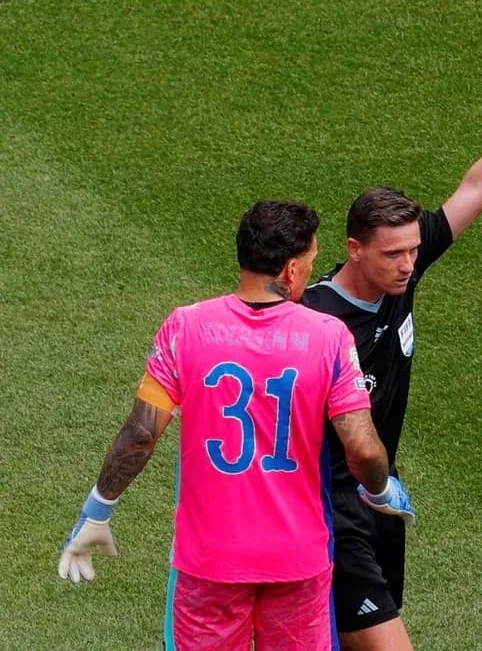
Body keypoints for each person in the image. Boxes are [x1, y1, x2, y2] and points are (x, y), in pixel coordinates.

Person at [300, 51, 482, 650]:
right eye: (392, 255)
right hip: (330, 510)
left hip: (381, 499)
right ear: (354, 250)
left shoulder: (404, 272)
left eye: (412, 251)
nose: (408, 264)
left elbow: (479, 187)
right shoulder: (315, 321)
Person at [59, 200, 414, 651]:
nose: (311, 271)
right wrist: (381, 491)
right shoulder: (328, 337)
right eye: (310, 261)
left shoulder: (185, 328)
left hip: (209, 562)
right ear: (290, 269)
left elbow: (141, 434)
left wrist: (98, 510)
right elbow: (362, 448)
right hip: (298, 561)